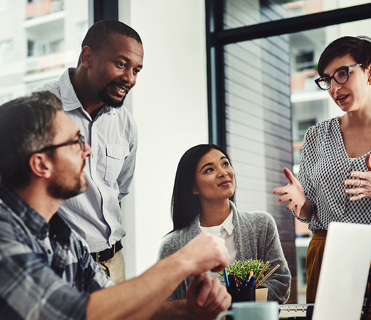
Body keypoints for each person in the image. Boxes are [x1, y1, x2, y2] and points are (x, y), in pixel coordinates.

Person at [0, 92, 231, 320]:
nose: (88, 150)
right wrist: (183, 260)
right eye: (76, 142)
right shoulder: (4, 235)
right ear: (41, 164)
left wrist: (188, 310)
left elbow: (115, 304)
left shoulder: (62, 234)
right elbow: (71, 313)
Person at [273, 36, 371, 303]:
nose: (334, 87)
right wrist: (301, 202)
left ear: (370, 71)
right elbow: (310, 212)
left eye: (342, 74)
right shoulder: (316, 136)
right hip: (326, 256)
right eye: (327, 80)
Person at [33, 20, 144, 283]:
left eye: (136, 70)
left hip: (114, 264)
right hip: (60, 268)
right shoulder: (39, 109)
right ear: (87, 57)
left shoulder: (125, 123)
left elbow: (119, 190)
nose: (129, 78)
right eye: (121, 64)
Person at [158, 144, 291, 304]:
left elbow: (281, 283)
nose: (223, 172)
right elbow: (165, 304)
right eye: (209, 170)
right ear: (194, 187)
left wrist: (235, 301)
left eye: (225, 163)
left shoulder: (261, 225)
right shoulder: (172, 245)